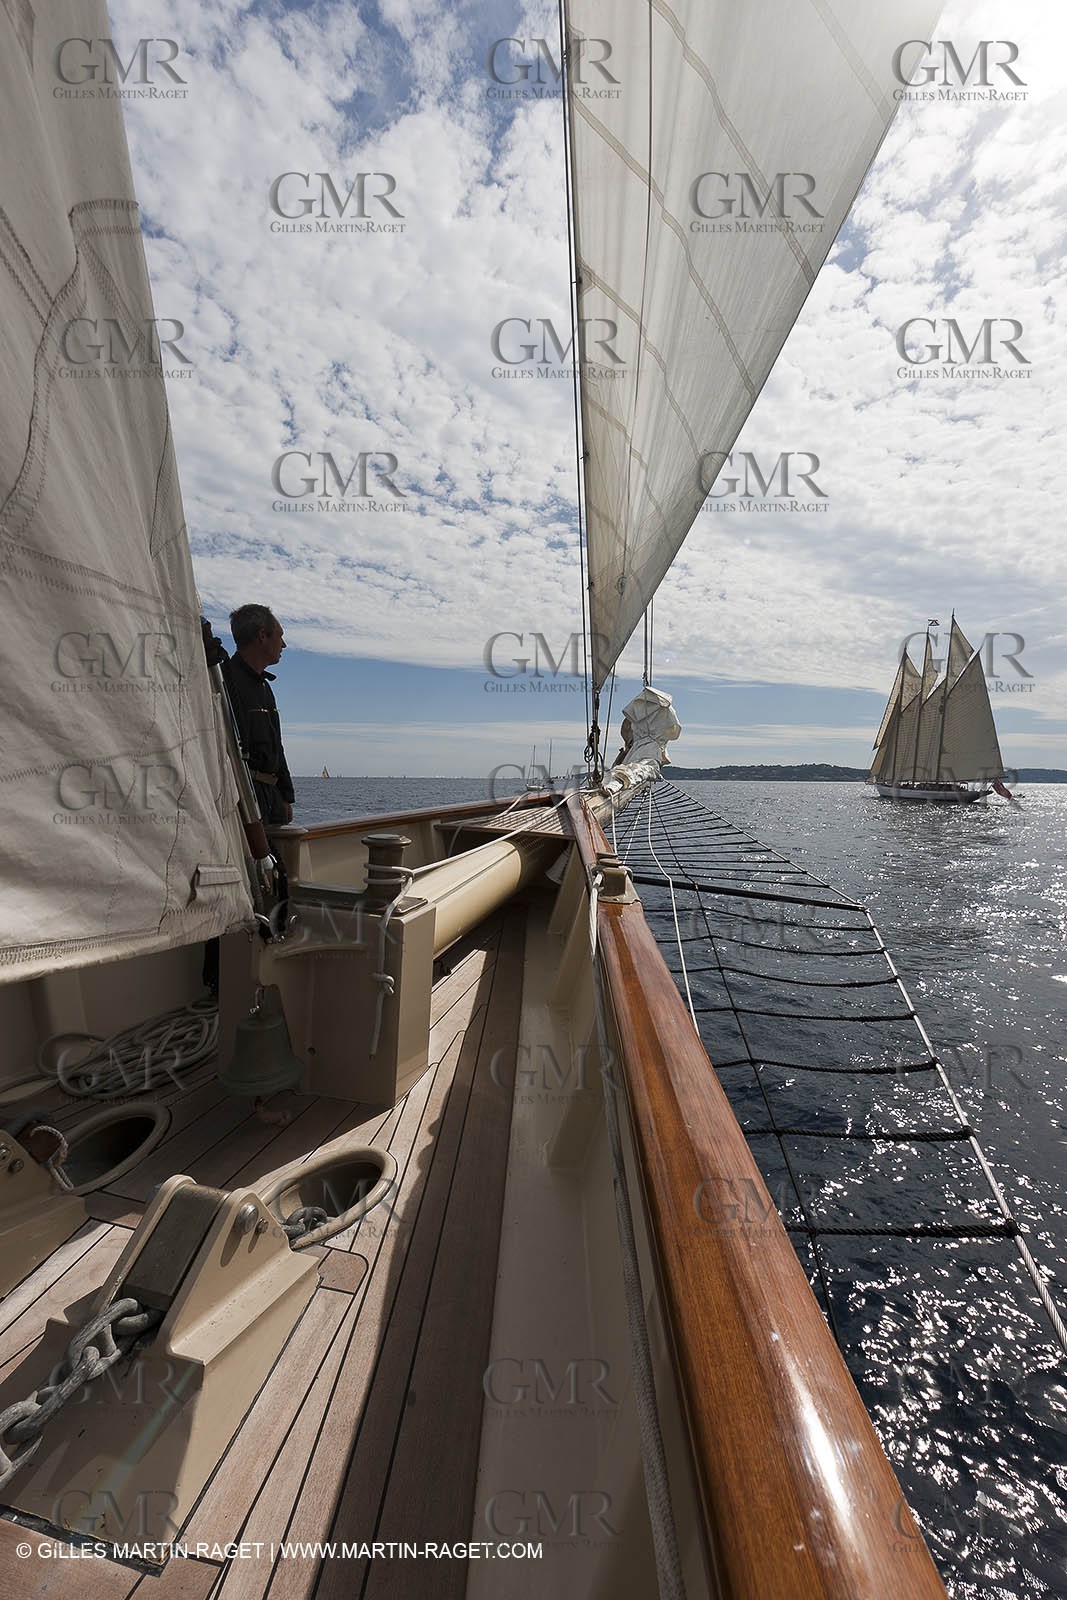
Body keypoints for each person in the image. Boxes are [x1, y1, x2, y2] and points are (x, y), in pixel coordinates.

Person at [221, 604, 295, 826]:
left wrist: (286, 796)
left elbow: (276, 746)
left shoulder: (264, 686)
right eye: (280, 636)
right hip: (243, 800)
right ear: (263, 636)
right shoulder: (225, 682)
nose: (283, 644)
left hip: (270, 800)